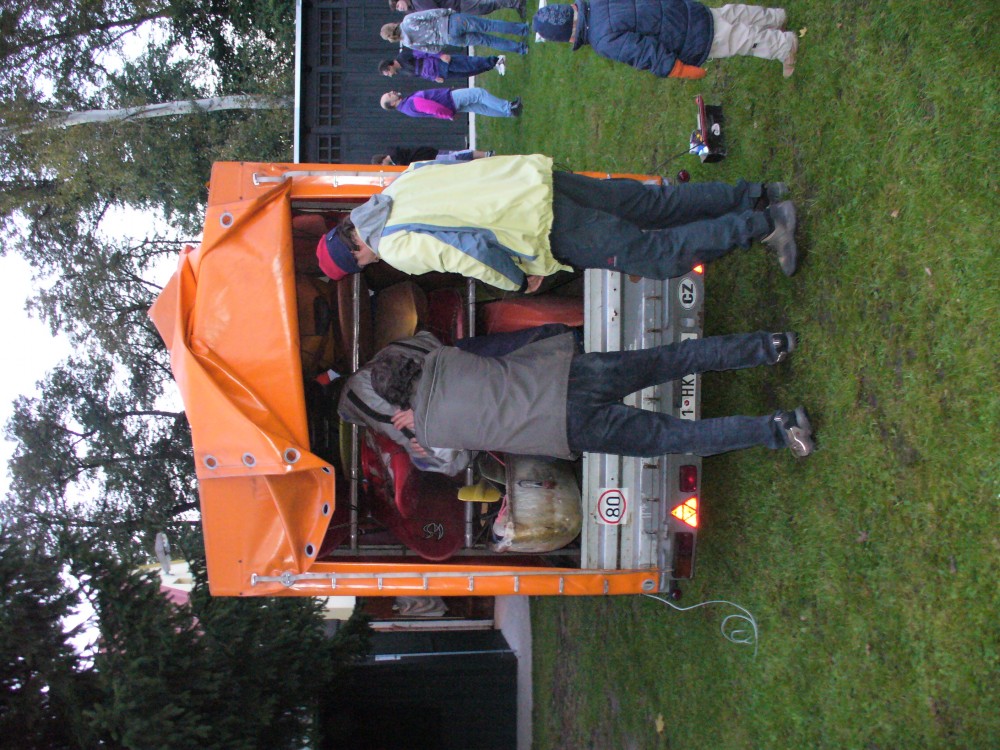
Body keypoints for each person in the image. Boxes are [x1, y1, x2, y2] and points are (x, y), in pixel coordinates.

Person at [314, 155, 798, 290]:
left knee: (658, 256)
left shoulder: (395, 247)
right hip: (539, 181)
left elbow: (468, 252)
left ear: (356, 252)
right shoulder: (400, 185)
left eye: (362, 263)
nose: (371, 263)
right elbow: (464, 158)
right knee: (654, 204)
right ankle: (754, 194)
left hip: (541, 228)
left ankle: (766, 225)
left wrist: (515, 280)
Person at [368, 330, 815, 459]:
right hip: (570, 374)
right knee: (671, 358)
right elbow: (435, 356)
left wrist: (416, 422)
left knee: (678, 438)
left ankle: (781, 428)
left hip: (568, 429)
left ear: (398, 403)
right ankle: (769, 345)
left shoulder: (432, 433)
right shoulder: (443, 357)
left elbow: (452, 447)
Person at [339, 325, 576, 473]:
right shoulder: (397, 358)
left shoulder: (378, 402)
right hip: (471, 359)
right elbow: (428, 338)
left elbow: (447, 462)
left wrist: (425, 422)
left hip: (545, 420)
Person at [532, 1, 798, 79]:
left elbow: (644, 52)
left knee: (735, 38)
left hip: (686, 38)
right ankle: (775, 17)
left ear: (569, 37)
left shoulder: (602, 39)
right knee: (726, 15)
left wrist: (677, 69)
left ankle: (784, 46)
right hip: (680, 10)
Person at [381, 9, 529, 56]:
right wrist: (448, 11)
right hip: (451, 22)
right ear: (392, 24)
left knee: (486, 41)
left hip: (450, 39)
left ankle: (520, 48)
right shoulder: (407, 20)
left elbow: (432, 49)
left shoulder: (408, 43)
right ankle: (523, 29)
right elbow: (431, 14)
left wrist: (442, 42)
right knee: (488, 25)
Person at [380, 87, 522, 120]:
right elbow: (433, 108)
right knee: (479, 93)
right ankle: (509, 107)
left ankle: (509, 113)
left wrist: (449, 115)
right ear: (392, 104)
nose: (392, 92)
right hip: (450, 100)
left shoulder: (406, 108)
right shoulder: (410, 103)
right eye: (390, 95)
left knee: (480, 107)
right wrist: (449, 115)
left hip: (450, 105)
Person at [379, 49, 505, 82]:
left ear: (389, 66)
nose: (390, 75)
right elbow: (421, 74)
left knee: (468, 64)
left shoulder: (403, 57)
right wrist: (434, 78)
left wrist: (440, 55)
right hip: (440, 74)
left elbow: (423, 52)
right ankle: (492, 66)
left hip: (439, 63)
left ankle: (497, 60)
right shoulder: (402, 72)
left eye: (387, 73)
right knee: (468, 72)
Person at [391, 0, 526, 21]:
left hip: (456, 4)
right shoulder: (413, 10)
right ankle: (513, 4)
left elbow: (434, 11)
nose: (400, 8)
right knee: (485, 8)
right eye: (398, 9)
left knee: (484, 5)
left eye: (398, 5)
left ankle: (517, 3)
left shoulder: (417, 2)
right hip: (455, 9)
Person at [372, 147, 494, 166]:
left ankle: (487, 155)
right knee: (458, 158)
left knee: (458, 156)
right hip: (431, 156)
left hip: (432, 156)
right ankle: (486, 157)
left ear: (381, 161)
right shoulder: (395, 156)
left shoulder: (396, 158)